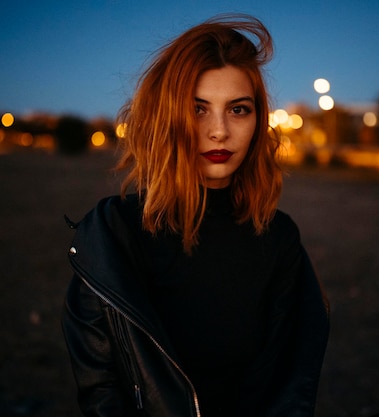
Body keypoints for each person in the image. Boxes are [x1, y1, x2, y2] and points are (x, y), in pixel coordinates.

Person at [61, 14, 330, 417]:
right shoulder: (111, 238)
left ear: (258, 122)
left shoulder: (278, 238)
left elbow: (283, 388)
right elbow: (101, 392)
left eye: (238, 110)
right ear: (168, 117)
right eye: (198, 109)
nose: (219, 131)